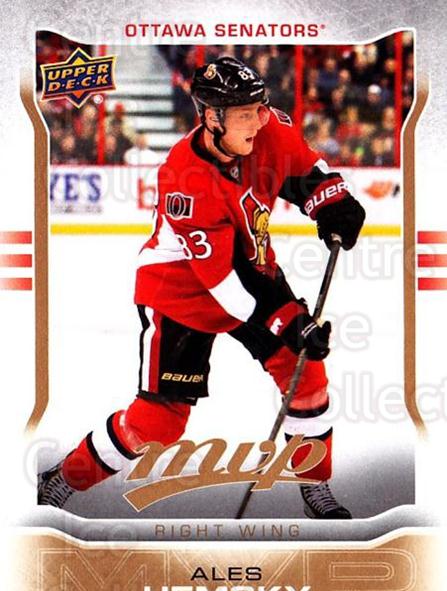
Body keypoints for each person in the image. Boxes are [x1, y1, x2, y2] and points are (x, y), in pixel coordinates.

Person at [38, 57, 365, 519]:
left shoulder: (266, 128)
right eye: (246, 113)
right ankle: (63, 478)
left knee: (305, 374)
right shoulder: (183, 178)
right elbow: (225, 283)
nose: (261, 120)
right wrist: (288, 322)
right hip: (182, 292)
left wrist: (332, 203)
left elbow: (304, 171)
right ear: (212, 118)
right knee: (157, 424)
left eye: (260, 108)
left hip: (251, 269)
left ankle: (315, 484)